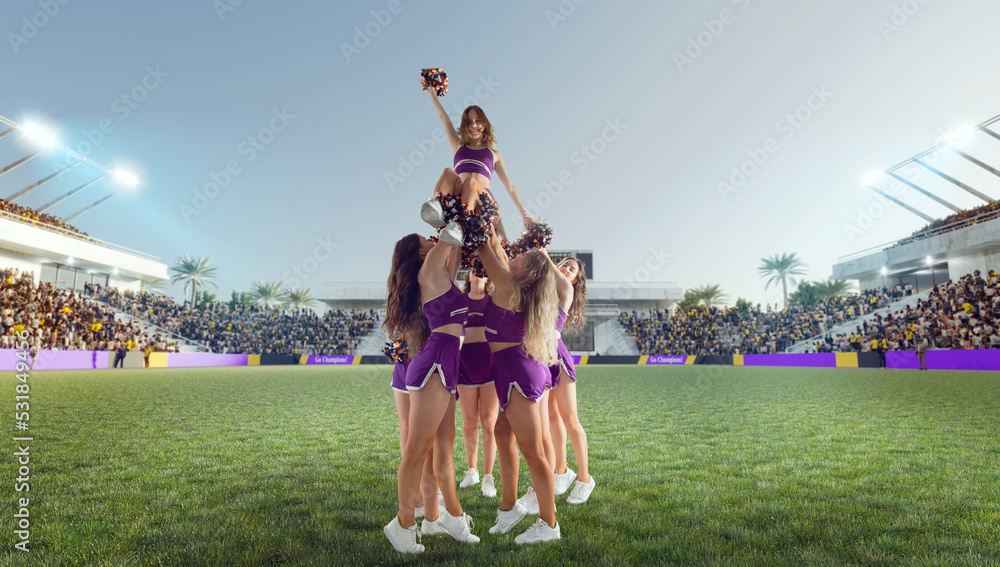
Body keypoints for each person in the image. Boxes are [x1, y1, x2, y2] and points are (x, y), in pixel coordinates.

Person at [383, 233, 478, 554]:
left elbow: (458, 249)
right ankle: (403, 523)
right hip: (435, 362)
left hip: (448, 365)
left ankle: (449, 517)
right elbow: (452, 236)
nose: (432, 239)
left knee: (444, 450)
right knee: (417, 449)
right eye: (427, 239)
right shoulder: (428, 272)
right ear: (419, 251)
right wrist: (455, 204)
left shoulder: (441, 278)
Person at [477, 227, 561, 544]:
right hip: (517, 367)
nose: (515, 257)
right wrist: (495, 222)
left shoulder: (510, 286)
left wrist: (471, 213)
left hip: (517, 371)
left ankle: (549, 524)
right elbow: (497, 247)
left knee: (533, 451)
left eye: (520, 257)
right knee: (501, 431)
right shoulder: (514, 287)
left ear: (526, 271)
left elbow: (487, 248)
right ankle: (510, 507)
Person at [426, 88, 532, 241]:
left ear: (484, 123)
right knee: (448, 172)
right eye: (469, 122)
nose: (473, 125)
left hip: (483, 200)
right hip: (462, 199)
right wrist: (431, 94)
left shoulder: (494, 154)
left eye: (477, 121)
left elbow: (509, 186)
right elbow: (444, 118)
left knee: (498, 243)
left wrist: (523, 212)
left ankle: (463, 226)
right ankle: (435, 210)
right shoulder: (458, 146)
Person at [547, 257, 595, 504]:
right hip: (538, 356)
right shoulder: (544, 287)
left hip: (557, 355)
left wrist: (535, 235)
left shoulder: (566, 288)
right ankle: (562, 472)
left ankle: (585, 479)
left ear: (575, 279)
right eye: (563, 263)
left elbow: (543, 258)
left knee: (570, 419)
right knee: (552, 419)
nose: (565, 268)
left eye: (571, 268)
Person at [457, 271, 500, 497]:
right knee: (470, 420)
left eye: (483, 268)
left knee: (489, 422)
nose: (478, 270)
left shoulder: (493, 299)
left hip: (489, 361)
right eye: (474, 267)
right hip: (465, 361)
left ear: (487, 277)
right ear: (468, 274)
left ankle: (488, 476)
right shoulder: (459, 298)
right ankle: (472, 470)